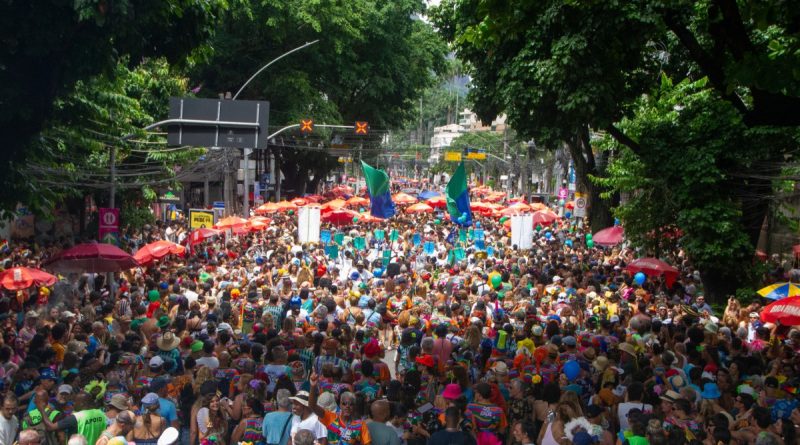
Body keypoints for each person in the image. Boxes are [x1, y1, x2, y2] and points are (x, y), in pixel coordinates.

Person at [308, 372, 371, 445]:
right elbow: (312, 406)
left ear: (354, 407)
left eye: (351, 404)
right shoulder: (331, 417)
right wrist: (313, 386)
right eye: (344, 403)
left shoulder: (360, 425)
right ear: (340, 405)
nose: (347, 406)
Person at [36, 392, 107, 445]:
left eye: (75, 402)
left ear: (82, 404)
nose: (73, 404)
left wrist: (41, 408)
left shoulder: (76, 417)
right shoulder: (101, 413)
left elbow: (50, 427)